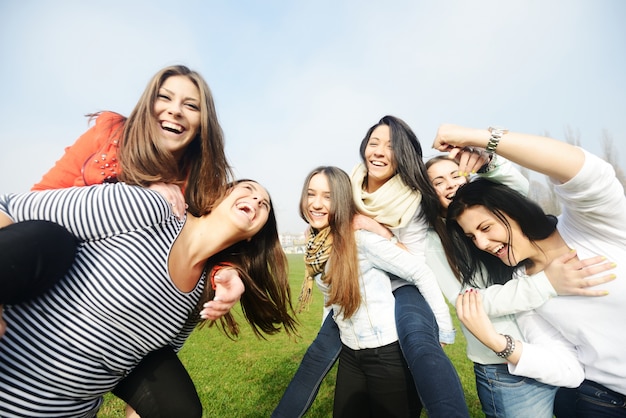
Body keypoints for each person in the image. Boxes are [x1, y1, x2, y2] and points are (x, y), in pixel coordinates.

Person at [12, 64, 243, 417]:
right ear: (147, 104)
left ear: (202, 123)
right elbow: (37, 205)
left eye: (191, 105)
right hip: (66, 279)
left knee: (179, 409)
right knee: (47, 238)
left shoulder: (199, 183)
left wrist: (224, 273)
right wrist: (131, 194)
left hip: (123, 311)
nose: (175, 110)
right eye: (164, 97)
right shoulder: (110, 136)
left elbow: (206, 237)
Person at [0, 178, 297, 417]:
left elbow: (156, 361)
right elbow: (10, 207)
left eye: (265, 204)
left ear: (253, 235)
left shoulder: (206, 291)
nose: (257, 200)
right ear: (217, 196)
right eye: (247, 189)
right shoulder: (152, 211)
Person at [274, 116, 469, 418]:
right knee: (316, 363)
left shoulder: (408, 202)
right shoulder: (350, 185)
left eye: (389, 146)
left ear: (402, 155)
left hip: (398, 297)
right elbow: (333, 285)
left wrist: (379, 230)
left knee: (422, 349)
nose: (377, 151)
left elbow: (416, 268)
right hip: (354, 324)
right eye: (373, 143)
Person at [433, 124, 626, 417]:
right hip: (606, 399)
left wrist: (481, 140)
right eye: (473, 238)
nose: (483, 243)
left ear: (513, 210)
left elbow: (587, 172)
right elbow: (568, 368)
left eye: (486, 228)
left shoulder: (589, 226)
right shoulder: (524, 287)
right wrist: (499, 343)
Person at [298, 166, 456, 416]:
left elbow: (420, 272)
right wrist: (324, 339)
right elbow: (332, 299)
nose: (316, 204)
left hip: (386, 353)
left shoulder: (362, 240)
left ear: (341, 199)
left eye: (327, 196)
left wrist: (444, 329)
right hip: (350, 353)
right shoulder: (319, 246)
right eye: (311, 194)